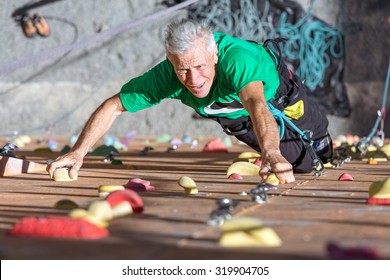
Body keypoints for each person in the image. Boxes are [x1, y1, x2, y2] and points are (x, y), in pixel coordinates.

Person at [48, 18, 333, 184]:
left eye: (199, 67)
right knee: (302, 165)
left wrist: (270, 150)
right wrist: (79, 152)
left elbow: (256, 104)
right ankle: (302, 155)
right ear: (171, 62)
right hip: (236, 117)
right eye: (181, 68)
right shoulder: (167, 76)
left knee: (318, 135)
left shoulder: (237, 59)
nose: (192, 79)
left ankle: (323, 145)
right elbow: (114, 106)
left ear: (215, 55)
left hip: (275, 96)